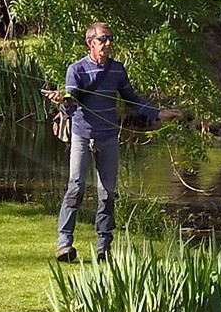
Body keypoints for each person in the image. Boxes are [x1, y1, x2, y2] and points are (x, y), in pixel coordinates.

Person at [53, 22, 160, 263]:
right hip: (82, 135)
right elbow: (70, 99)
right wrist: (62, 99)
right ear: (90, 43)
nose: (108, 43)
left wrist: (158, 113)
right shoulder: (76, 69)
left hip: (109, 136)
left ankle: (104, 247)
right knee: (76, 187)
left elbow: (132, 98)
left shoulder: (118, 70)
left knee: (107, 193)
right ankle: (64, 244)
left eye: (111, 38)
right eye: (103, 39)